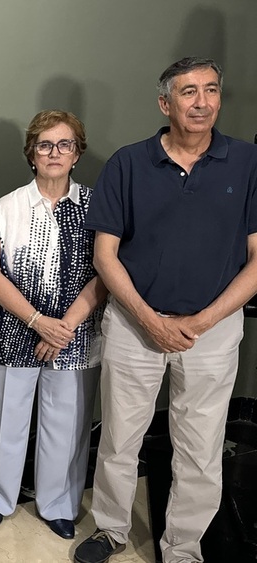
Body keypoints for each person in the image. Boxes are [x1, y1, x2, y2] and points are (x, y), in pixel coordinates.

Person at [74, 57, 257, 563]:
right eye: (189, 92)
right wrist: (150, 320)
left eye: (212, 90)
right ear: (165, 102)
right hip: (135, 326)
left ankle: (182, 547)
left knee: (200, 449)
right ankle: (110, 530)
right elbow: (104, 257)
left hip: (213, 331)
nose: (202, 102)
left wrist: (199, 323)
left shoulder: (248, 162)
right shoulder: (128, 164)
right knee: (119, 438)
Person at [0, 110, 106, 541]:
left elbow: (107, 270)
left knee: (67, 425)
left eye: (65, 144)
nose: (54, 153)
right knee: (2, 417)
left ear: (77, 153)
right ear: (31, 153)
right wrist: (38, 322)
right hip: (12, 332)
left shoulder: (97, 205)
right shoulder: (8, 206)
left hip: (76, 334)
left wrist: (62, 327)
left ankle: (59, 504)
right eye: (45, 144)